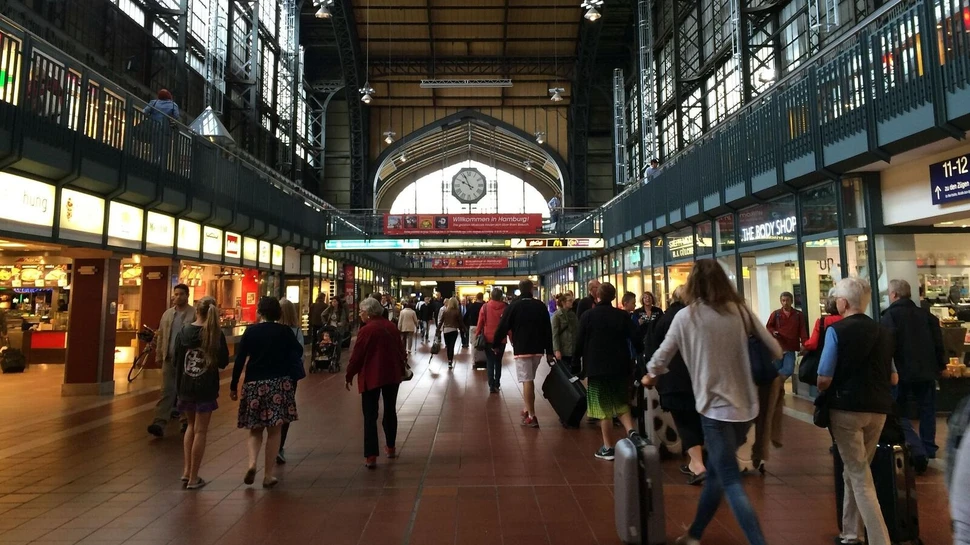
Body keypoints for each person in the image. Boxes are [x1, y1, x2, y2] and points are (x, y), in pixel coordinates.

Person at [643, 259, 780, 545]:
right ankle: (694, 534)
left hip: (715, 411)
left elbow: (661, 356)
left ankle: (759, 541)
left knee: (729, 480)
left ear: (692, 285)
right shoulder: (739, 310)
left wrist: (650, 377)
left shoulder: (687, 316)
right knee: (718, 473)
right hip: (745, 408)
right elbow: (775, 347)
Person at [817, 277, 897, 545]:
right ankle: (851, 532)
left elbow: (824, 377)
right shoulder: (883, 331)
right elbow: (894, 377)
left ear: (843, 302)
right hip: (879, 410)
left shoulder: (836, 331)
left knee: (860, 475)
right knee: (853, 470)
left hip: (846, 410)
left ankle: (879, 539)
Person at [230, 297, 302, 489]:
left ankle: (252, 463)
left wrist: (233, 384)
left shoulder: (251, 331)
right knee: (274, 430)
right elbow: (298, 350)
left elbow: (239, 359)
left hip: (254, 384)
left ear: (259, 312)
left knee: (255, 429)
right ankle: (268, 474)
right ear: (278, 312)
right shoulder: (284, 331)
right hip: (279, 383)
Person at [574, 283, 648, 460]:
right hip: (620, 367)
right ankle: (632, 432)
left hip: (596, 367)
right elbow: (636, 338)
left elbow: (579, 341)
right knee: (621, 402)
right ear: (614, 297)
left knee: (603, 408)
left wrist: (576, 364)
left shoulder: (588, 316)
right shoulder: (622, 315)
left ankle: (608, 447)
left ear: (597, 296)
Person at [880, 278, 946, 474]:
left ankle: (915, 447)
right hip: (926, 371)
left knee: (898, 411)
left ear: (893, 295)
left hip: (902, 373)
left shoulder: (890, 317)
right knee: (927, 409)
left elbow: (887, 346)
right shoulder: (926, 315)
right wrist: (940, 366)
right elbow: (938, 343)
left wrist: (887, 371)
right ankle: (929, 446)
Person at [172, 296, 228, 490]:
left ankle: (187, 471)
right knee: (200, 431)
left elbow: (176, 360)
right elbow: (223, 361)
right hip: (206, 387)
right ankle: (194, 477)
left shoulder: (184, 332)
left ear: (197, 311)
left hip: (186, 385)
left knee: (190, 426)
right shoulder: (214, 334)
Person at [652, 286, 706, 485]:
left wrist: (651, 373)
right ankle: (696, 460)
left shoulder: (666, 318)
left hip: (673, 378)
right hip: (698, 376)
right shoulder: (699, 317)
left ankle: (698, 463)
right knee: (695, 417)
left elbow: (656, 347)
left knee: (683, 421)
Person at [345, 297, 406, 468]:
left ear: (369, 313)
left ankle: (371, 455)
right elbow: (401, 350)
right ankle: (391, 446)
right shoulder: (391, 327)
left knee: (370, 415)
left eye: (361, 311)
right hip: (392, 374)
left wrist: (349, 374)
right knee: (390, 410)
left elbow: (358, 355)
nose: (360, 314)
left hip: (372, 375)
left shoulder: (367, 330)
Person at [493, 280, 554, 428]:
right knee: (530, 378)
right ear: (532, 289)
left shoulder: (514, 306)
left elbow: (502, 326)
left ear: (520, 290)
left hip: (522, 348)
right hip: (538, 349)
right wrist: (549, 351)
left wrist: (495, 344)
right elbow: (547, 329)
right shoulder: (540, 305)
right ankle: (527, 408)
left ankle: (532, 416)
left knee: (527, 380)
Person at [148, 284, 196, 438]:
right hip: (169, 358)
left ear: (187, 295)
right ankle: (159, 422)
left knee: (184, 391)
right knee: (166, 390)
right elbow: (161, 335)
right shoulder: (167, 315)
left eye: (181, 294)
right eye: (176, 294)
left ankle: (185, 421)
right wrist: (159, 355)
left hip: (186, 359)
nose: (178, 297)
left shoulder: (193, 314)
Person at [765, 291, 808, 447]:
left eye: (787, 300)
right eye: (782, 300)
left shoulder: (798, 315)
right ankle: (777, 393)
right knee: (776, 371)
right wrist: (773, 332)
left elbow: (802, 330)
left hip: (790, 347)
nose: (785, 303)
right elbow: (768, 327)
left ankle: (777, 389)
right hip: (778, 347)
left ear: (791, 301)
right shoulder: (776, 314)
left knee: (787, 369)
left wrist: (804, 343)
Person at [276, 299, 306, 465]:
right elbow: (300, 356)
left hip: (273, 375)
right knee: (286, 409)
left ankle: (273, 442)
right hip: (290, 377)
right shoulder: (295, 331)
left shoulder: (272, 330)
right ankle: (279, 445)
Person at [477, 288, 509, 393]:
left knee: (490, 361)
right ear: (501, 297)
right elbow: (508, 324)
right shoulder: (505, 308)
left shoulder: (485, 307)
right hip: (501, 339)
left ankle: (491, 385)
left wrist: (477, 334)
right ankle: (497, 383)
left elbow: (480, 322)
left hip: (488, 338)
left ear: (491, 296)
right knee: (498, 361)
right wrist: (512, 338)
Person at [551, 293, 579, 375]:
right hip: (563, 348)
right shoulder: (557, 316)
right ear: (563, 302)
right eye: (569, 301)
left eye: (572, 300)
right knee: (565, 373)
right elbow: (554, 334)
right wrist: (557, 350)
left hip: (573, 348)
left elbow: (576, 330)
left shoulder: (573, 315)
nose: (572, 302)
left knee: (573, 373)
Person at [436, 297, 464, 369]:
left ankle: (449, 360)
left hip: (446, 330)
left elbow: (441, 321)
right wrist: (464, 330)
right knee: (452, 346)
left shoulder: (445, 311)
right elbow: (460, 322)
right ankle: (450, 361)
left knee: (448, 346)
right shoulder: (457, 311)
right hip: (454, 330)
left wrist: (438, 330)